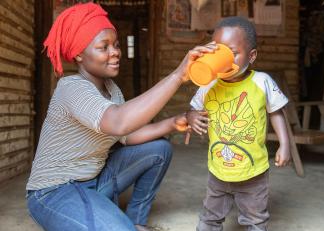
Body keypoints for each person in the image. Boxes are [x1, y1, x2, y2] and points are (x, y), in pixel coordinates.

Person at [26, 3, 217, 231]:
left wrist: (173, 123)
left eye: (115, 45)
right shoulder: (71, 87)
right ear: (78, 54)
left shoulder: (112, 90)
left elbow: (126, 135)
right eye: (103, 47)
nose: (115, 52)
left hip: (95, 181)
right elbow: (118, 122)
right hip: (55, 191)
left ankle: (136, 221)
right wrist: (178, 75)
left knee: (159, 149)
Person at [186, 16, 291, 231]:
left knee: (255, 219)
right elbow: (193, 109)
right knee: (210, 216)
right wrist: (192, 117)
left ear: (251, 56)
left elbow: (277, 113)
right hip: (218, 170)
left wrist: (285, 144)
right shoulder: (209, 83)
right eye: (218, 53)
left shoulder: (262, 82)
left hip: (253, 171)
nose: (224, 61)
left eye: (232, 54)